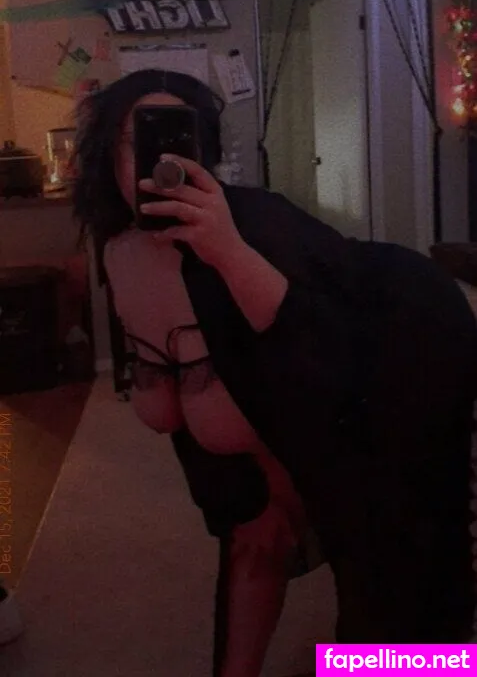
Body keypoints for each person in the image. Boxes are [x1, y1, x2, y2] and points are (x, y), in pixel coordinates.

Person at [72, 69, 477, 674]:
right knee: (253, 533)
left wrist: (227, 251)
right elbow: (213, 413)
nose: (159, 160)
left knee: (389, 588)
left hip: (397, 344)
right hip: (294, 399)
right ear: (108, 152)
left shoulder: (254, 225)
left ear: (204, 152)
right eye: (138, 140)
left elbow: (327, 361)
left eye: (178, 138)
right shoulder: (117, 252)